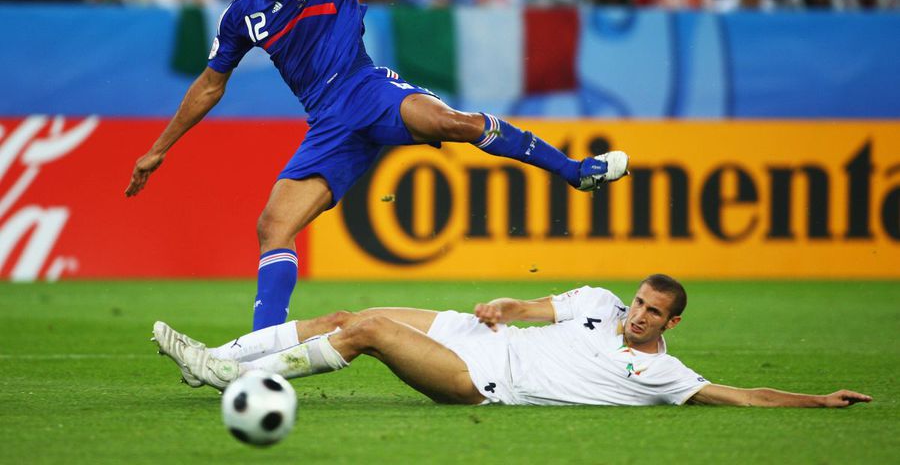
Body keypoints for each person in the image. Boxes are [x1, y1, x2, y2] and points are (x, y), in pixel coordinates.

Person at [126, 0, 630, 332]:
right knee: (272, 227)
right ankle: (264, 345)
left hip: (364, 89)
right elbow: (211, 84)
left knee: (451, 122)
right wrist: (159, 148)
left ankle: (575, 171)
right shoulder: (241, 15)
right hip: (327, 124)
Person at [152, 274, 872, 408]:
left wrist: (816, 399)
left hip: (485, 382)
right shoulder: (598, 302)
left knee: (367, 333)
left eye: (654, 314)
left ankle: (228, 381)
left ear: (671, 324)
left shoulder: (663, 374)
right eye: (640, 304)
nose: (640, 317)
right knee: (347, 313)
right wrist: (505, 303)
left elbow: (741, 395)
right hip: (477, 334)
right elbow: (532, 305)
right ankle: (219, 359)